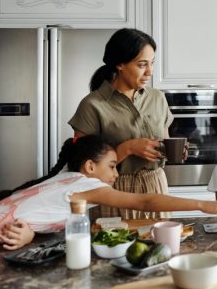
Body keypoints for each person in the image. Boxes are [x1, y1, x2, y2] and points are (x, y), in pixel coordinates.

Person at [0, 135, 217, 254]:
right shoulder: (84, 185)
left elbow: (35, 214)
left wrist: (30, 232)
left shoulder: (64, 179)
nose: (116, 174)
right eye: (111, 166)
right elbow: (144, 201)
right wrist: (202, 204)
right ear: (89, 167)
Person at [69, 28, 178, 219]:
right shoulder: (92, 105)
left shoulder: (157, 98)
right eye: (142, 64)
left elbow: (165, 142)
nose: (150, 72)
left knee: (161, 247)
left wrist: (171, 150)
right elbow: (83, 170)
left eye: (152, 63)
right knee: (117, 247)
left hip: (156, 185)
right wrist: (127, 148)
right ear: (120, 64)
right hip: (115, 191)